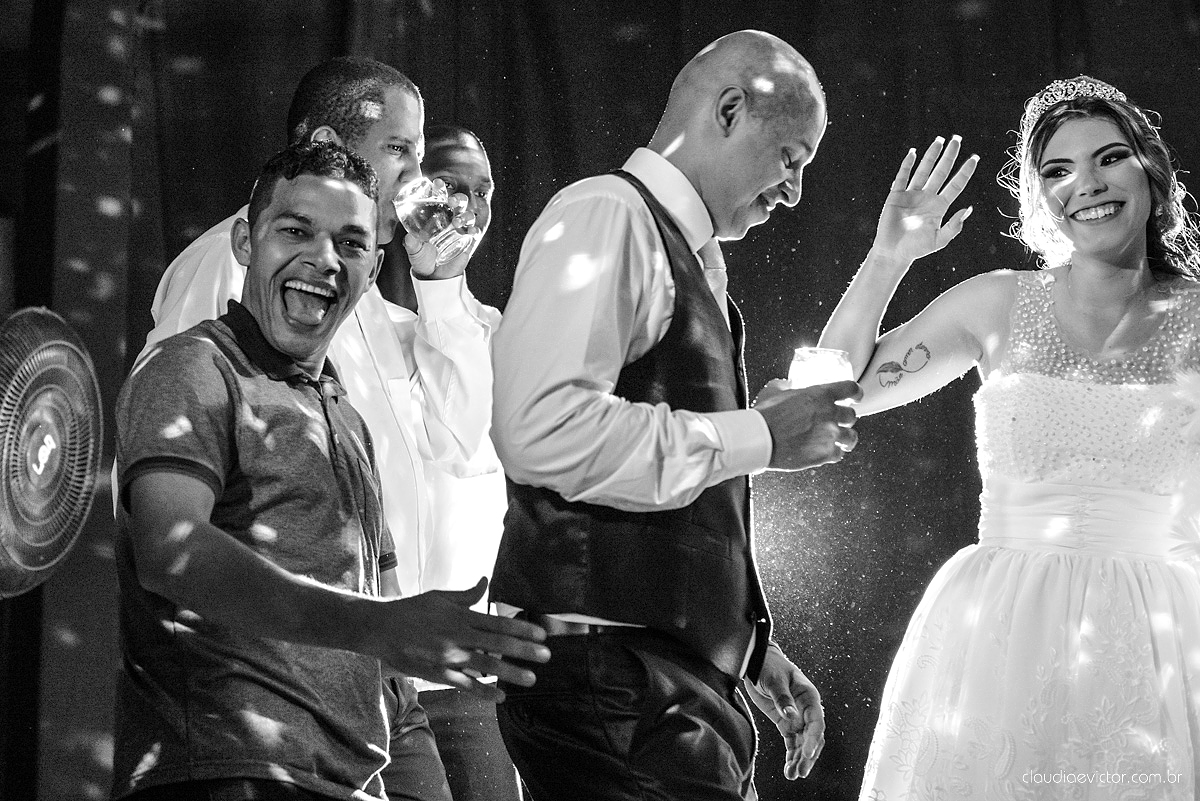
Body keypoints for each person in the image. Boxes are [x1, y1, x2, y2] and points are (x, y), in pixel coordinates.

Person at [110, 140, 549, 801]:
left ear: (373, 268)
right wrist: (380, 627)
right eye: (295, 231)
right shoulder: (193, 366)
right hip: (229, 770)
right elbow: (171, 551)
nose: (323, 257)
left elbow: (385, 606)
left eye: (350, 243)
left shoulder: (342, 415)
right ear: (242, 241)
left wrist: (404, 695)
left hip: (348, 778)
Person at [489, 29, 862, 800]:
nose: (794, 192)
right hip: (615, 687)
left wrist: (746, 647)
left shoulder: (696, 266)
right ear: (729, 109)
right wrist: (760, 433)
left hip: (660, 688)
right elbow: (542, 429)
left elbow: (677, 500)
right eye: (791, 158)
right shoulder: (605, 215)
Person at [816, 76, 1200, 798]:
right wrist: (888, 258)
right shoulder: (996, 303)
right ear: (1039, 198)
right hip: (999, 641)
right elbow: (824, 400)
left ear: (1154, 170)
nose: (1085, 184)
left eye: (1109, 158)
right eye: (1057, 169)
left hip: (1157, 649)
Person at [380, 123, 521, 801]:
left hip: (471, 676)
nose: (469, 206)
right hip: (376, 666)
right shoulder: (358, 329)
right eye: (451, 187)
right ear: (409, 192)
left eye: (483, 190)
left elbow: (462, 440)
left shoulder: (494, 332)